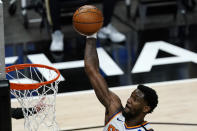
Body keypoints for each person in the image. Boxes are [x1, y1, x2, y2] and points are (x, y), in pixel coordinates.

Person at [84, 34, 158, 130]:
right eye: (131, 96)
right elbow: (92, 70)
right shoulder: (113, 108)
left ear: (146, 108)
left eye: (135, 99)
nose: (129, 100)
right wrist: (91, 36)